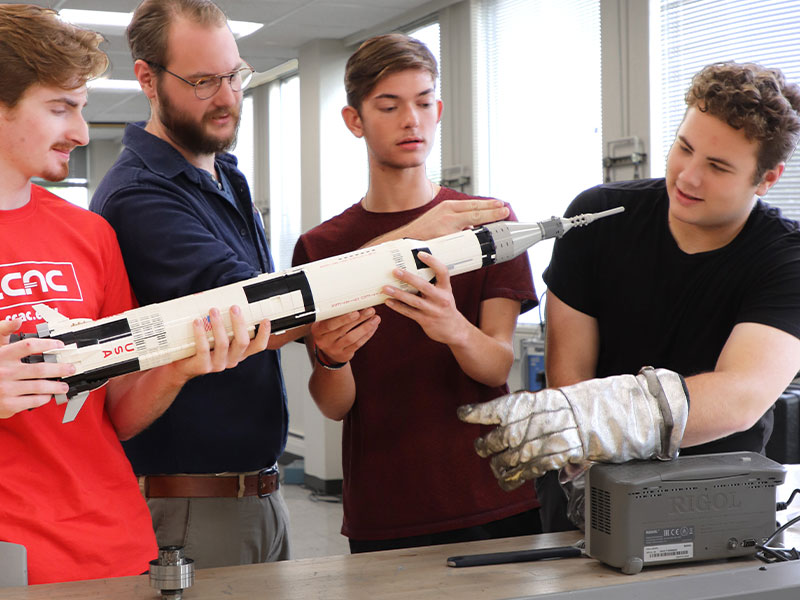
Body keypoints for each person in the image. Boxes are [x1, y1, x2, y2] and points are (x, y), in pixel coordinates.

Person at [458, 61, 800, 531]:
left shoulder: (787, 258)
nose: (688, 177)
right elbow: (569, 375)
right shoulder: (599, 217)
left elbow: (740, 395)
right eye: (684, 148)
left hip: (715, 499)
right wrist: (581, 440)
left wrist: (600, 414)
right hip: (588, 485)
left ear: (766, 179)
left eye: (718, 167)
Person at [0, 4, 267, 584]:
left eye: (81, 108)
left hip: (115, 547)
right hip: (14, 559)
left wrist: (176, 370)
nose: (78, 130)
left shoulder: (90, 235)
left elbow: (115, 412)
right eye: (59, 108)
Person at [291, 33, 541, 553]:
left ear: (439, 109)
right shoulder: (323, 247)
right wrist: (333, 361)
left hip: (492, 493)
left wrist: (451, 326)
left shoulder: (487, 221)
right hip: (385, 506)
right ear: (354, 120)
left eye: (424, 102)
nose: (412, 120)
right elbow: (333, 404)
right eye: (389, 105)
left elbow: (496, 366)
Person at [90, 0, 291, 568]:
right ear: (148, 79)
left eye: (234, 75)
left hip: (260, 494)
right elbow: (257, 310)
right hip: (192, 509)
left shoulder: (227, 175)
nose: (227, 97)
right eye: (203, 81)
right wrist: (411, 241)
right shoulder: (138, 195)